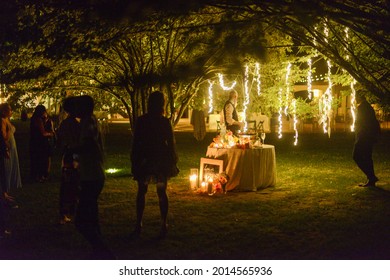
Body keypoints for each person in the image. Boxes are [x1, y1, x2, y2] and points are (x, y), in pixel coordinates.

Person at [131, 91, 179, 239]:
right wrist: (173, 160)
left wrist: (135, 159)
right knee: (161, 191)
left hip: (145, 158)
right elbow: (170, 143)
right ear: (161, 104)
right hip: (159, 159)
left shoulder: (142, 120)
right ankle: (163, 223)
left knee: (142, 191)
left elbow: (136, 142)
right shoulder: (164, 121)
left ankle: (139, 223)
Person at [72, 95, 114, 259]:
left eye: (77, 106)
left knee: (81, 220)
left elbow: (89, 145)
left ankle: (104, 252)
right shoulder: (90, 121)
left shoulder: (88, 123)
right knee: (92, 215)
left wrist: (72, 151)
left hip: (91, 176)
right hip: (93, 174)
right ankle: (99, 252)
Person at [56, 97, 80, 225]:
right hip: (72, 157)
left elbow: (60, 141)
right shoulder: (74, 124)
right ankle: (67, 212)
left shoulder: (65, 123)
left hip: (68, 156)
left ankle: (67, 212)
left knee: (68, 185)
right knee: (70, 185)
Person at [353, 92, 381, 187]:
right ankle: (371, 179)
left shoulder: (363, 108)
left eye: (356, 96)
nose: (354, 98)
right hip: (368, 136)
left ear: (360, 97)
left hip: (364, 136)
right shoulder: (366, 107)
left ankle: (371, 176)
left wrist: (360, 134)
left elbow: (364, 123)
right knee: (367, 157)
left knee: (357, 156)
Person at [0, 103, 22, 193]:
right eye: (9, 109)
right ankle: (5, 190)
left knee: (11, 165)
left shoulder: (6, 119)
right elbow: (4, 136)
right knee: (6, 168)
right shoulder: (2, 121)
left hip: (12, 147)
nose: (11, 111)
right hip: (7, 147)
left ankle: (7, 189)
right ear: (4, 111)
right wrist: (10, 131)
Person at [29, 105, 55, 182]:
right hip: (39, 143)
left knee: (37, 159)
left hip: (35, 142)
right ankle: (40, 176)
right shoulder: (38, 120)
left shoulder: (34, 119)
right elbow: (43, 133)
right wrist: (51, 134)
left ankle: (38, 176)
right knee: (40, 159)